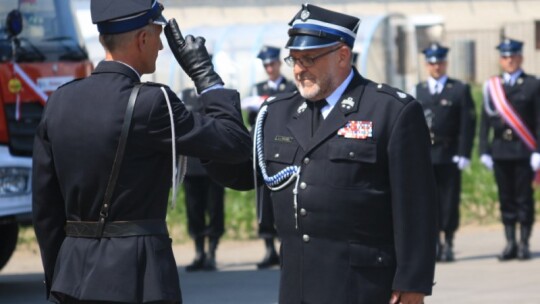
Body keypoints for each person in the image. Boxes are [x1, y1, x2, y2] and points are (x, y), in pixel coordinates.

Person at [204, 4, 437, 304]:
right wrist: (204, 113)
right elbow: (241, 172)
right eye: (295, 59)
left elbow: (416, 207)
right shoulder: (277, 112)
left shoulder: (390, 111)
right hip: (298, 285)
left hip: (364, 287)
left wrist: (413, 284)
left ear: (342, 55)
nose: (299, 69)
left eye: (309, 59)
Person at [31, 0, 251, 303]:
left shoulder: (59, 101)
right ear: (142, 38)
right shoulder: (153, 102)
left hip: (71, 277)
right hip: (138, 278)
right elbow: (235, 143)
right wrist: (205, 76)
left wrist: (59, 277)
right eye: (158, 35)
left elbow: (46, 208)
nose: (161, 46)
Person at [413, 42, 476, 262]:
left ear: (445, 63)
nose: (436, 66)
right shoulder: (418, 90)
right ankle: (435, 243)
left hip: (450, 153)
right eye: (432, 62)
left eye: (439, 62)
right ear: (426, 64)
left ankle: (449, 241)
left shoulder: (458, 89)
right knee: (428, 201)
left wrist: (464, 153)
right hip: (426, 154)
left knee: (449, 200)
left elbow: (467, 123)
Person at [479, 38, 540, 261]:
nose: (510, 60)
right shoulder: (492, 86)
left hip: (524, 150)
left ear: (521, 58)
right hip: (500, 150)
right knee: (506, 198)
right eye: (505, 57)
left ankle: (524, 242)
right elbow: (485, 122)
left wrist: (538, 151)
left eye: (513, 56)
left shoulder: (533, 84)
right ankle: (510, 243)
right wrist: (484, 150)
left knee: (524, 197)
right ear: (500, 60)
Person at [248, 45, 296, 269]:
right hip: (263, 151)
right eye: (265, 65)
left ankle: (285, 246)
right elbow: (251, 121)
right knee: (264, 200)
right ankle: (268, 248)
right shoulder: (257, 89)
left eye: (272, 64)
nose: (269, 68)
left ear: (278, 63)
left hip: (284, 150)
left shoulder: (290, 87)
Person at [180, 86, 226, 272]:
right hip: (191, 165)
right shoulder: (185, 96)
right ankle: (199, 252)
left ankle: (211, 253)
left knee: (215, 209)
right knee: (194, 210)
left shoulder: (216, 96)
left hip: (214, 164)